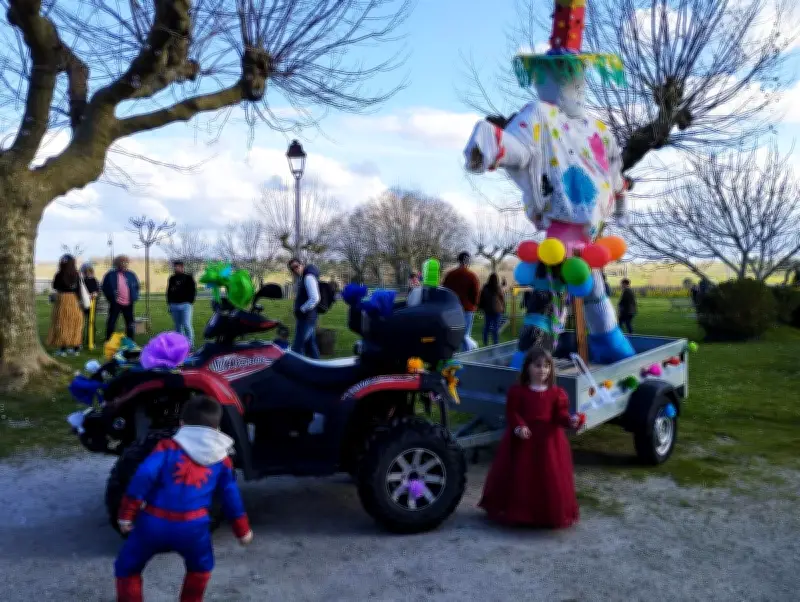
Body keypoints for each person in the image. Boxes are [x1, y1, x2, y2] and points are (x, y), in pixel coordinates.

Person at [114, 396, 253, 602]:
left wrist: (126, 515)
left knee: (127, 567)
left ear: (182, 424)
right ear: (216, 427)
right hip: (194, 527)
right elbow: (230, 495)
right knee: (200, 568)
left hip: (153, 522)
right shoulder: (222, 459)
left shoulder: (167, 447)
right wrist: (242, 530)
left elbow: (144, 475)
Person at [479, 348, 584, 528]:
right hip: (524, 442)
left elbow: (560, 415)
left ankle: (546, 514)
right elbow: (512, 412)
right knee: (522, 476)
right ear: (527, 367)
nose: (542, 370)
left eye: (546, 366)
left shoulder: (556, 393)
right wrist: (519, 426)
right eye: (537, 366)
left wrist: (571, 420)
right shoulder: (518, 391)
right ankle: (521, 513)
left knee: (547, 478)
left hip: (549, 444)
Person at [47, 254, 85, 356]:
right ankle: (75, 348)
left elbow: (55, 286)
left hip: (62, 300)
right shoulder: (76, 274)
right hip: (74, 300)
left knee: (62, 323)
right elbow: (79, 289)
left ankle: (62, 349)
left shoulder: (59, 274)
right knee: (75, 323)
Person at [442, 252, 481, 350]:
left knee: (454, 334)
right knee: (465, 335)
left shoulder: (449, 275)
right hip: (467, 309)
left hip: (452, 309)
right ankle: (466, 358)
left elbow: (444, 291)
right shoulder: (471, 276)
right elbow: (475, 294)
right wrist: (474, 305)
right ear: (467, 261)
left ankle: (454, 357)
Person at [288, 257, 321, 359]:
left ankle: (297, 370)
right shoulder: (304, 277)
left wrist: (301, 309)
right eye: (292, 269)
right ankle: (318, 368)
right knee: (311, 346)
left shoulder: (308, 277)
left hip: (306, 318)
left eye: (296, 266)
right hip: (307, 317)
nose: (295, 270)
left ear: (302, 264)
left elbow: (315, 298)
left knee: (297, 347)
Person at [102, 255, 140, 341]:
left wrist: (134, 296)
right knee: (111, 322)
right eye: (122, 263)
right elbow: (104, 287)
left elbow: (137, 286)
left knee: (130, 322)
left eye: (126, 263)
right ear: (117, 264)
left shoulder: (131, 274)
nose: (124, 264)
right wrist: (111, 298)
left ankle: (130, 339)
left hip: (129, 303)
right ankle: (109, 339)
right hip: (116, 303)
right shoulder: (110, 275)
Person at [167, 260, 197, 347]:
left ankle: (190, 344)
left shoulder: (188, 278)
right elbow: (169, 291)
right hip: (174, 305)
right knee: (178, 326)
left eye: (178, 266)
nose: (176, 268)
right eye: (175, 267)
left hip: (185, 305)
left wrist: (190, 301)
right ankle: (180, 344)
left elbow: (193, 291)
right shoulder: (172, 278)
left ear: (182, 267)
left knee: (186, 324)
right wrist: (169, 303)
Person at [479, 273, 505, 346]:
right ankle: (495, 344)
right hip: (497, 310)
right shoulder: (498, 287)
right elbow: (502, 299)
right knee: (495, 328)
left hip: (487, 310)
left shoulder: (485, 287)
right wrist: (503, 309)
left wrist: (481, 308)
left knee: (486, 327)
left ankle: (485, 343)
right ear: (497, 279)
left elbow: (481, 299)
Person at [80, 263, 100, 348]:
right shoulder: (81, 281)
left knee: (91, 323)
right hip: (82, 304)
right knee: (81, 324)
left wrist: (95, 293)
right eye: (86, 271)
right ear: (83, 272)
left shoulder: (94, 280)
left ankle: (91, 341)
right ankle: (79, 342)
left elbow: (97, 290)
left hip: (92, 304)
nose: (88, 273)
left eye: (90, 271)